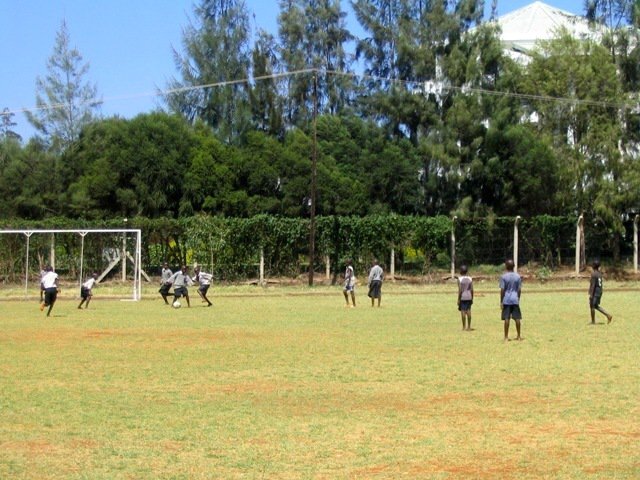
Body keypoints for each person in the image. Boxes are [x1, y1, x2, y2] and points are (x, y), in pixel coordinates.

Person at [500, 259, 522, 341]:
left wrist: (501, 301)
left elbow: (502, 290)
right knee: (517, 318)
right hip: (515, 299)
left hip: (507, 300)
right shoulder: (518, 276)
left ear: (506, 266)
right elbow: (519, 289)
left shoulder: (503, 277)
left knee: (506, 318)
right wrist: (518, 298)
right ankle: (519, 336)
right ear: (514, 266)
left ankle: (506, 337)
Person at [589, 259, 613, 324]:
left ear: (593, 266)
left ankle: (593, 321)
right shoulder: (599, 274)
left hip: (595, 292)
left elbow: (593, 285)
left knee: (592, 306)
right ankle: (608, 315)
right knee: (595, 306)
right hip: (599, 292)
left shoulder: (594, 274)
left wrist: (591, 294)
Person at [457, 265, 474, 331]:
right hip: (469, 296)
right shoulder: (470, 278)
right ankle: (469, 327)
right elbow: (472, 289)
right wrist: (472, 298)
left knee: (463, 311)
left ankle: (464, 327)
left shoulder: (459, 279)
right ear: (467, 271)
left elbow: (460, 290)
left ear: (460, 271)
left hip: (463, 297)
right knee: (469, 311)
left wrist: (458, 299)